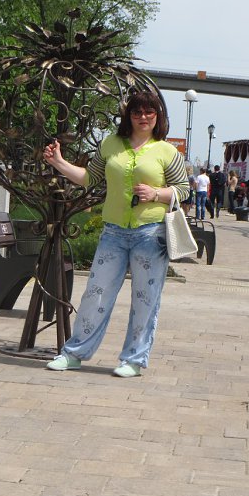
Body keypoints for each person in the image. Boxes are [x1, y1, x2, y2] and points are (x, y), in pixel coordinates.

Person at [43, 91, 189, 378]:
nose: (143, 117)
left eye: (149, 112)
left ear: (158, 116)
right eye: (137, 112)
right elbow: (89, 178)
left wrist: (156, 193)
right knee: (95, 294)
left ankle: (133, 359)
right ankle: (73, 354)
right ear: (128, 116)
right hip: (113, 232)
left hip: (151, 234)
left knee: (145, 299)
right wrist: (58, 162)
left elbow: (183, 189)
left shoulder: (167, 151)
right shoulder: (110, 144)